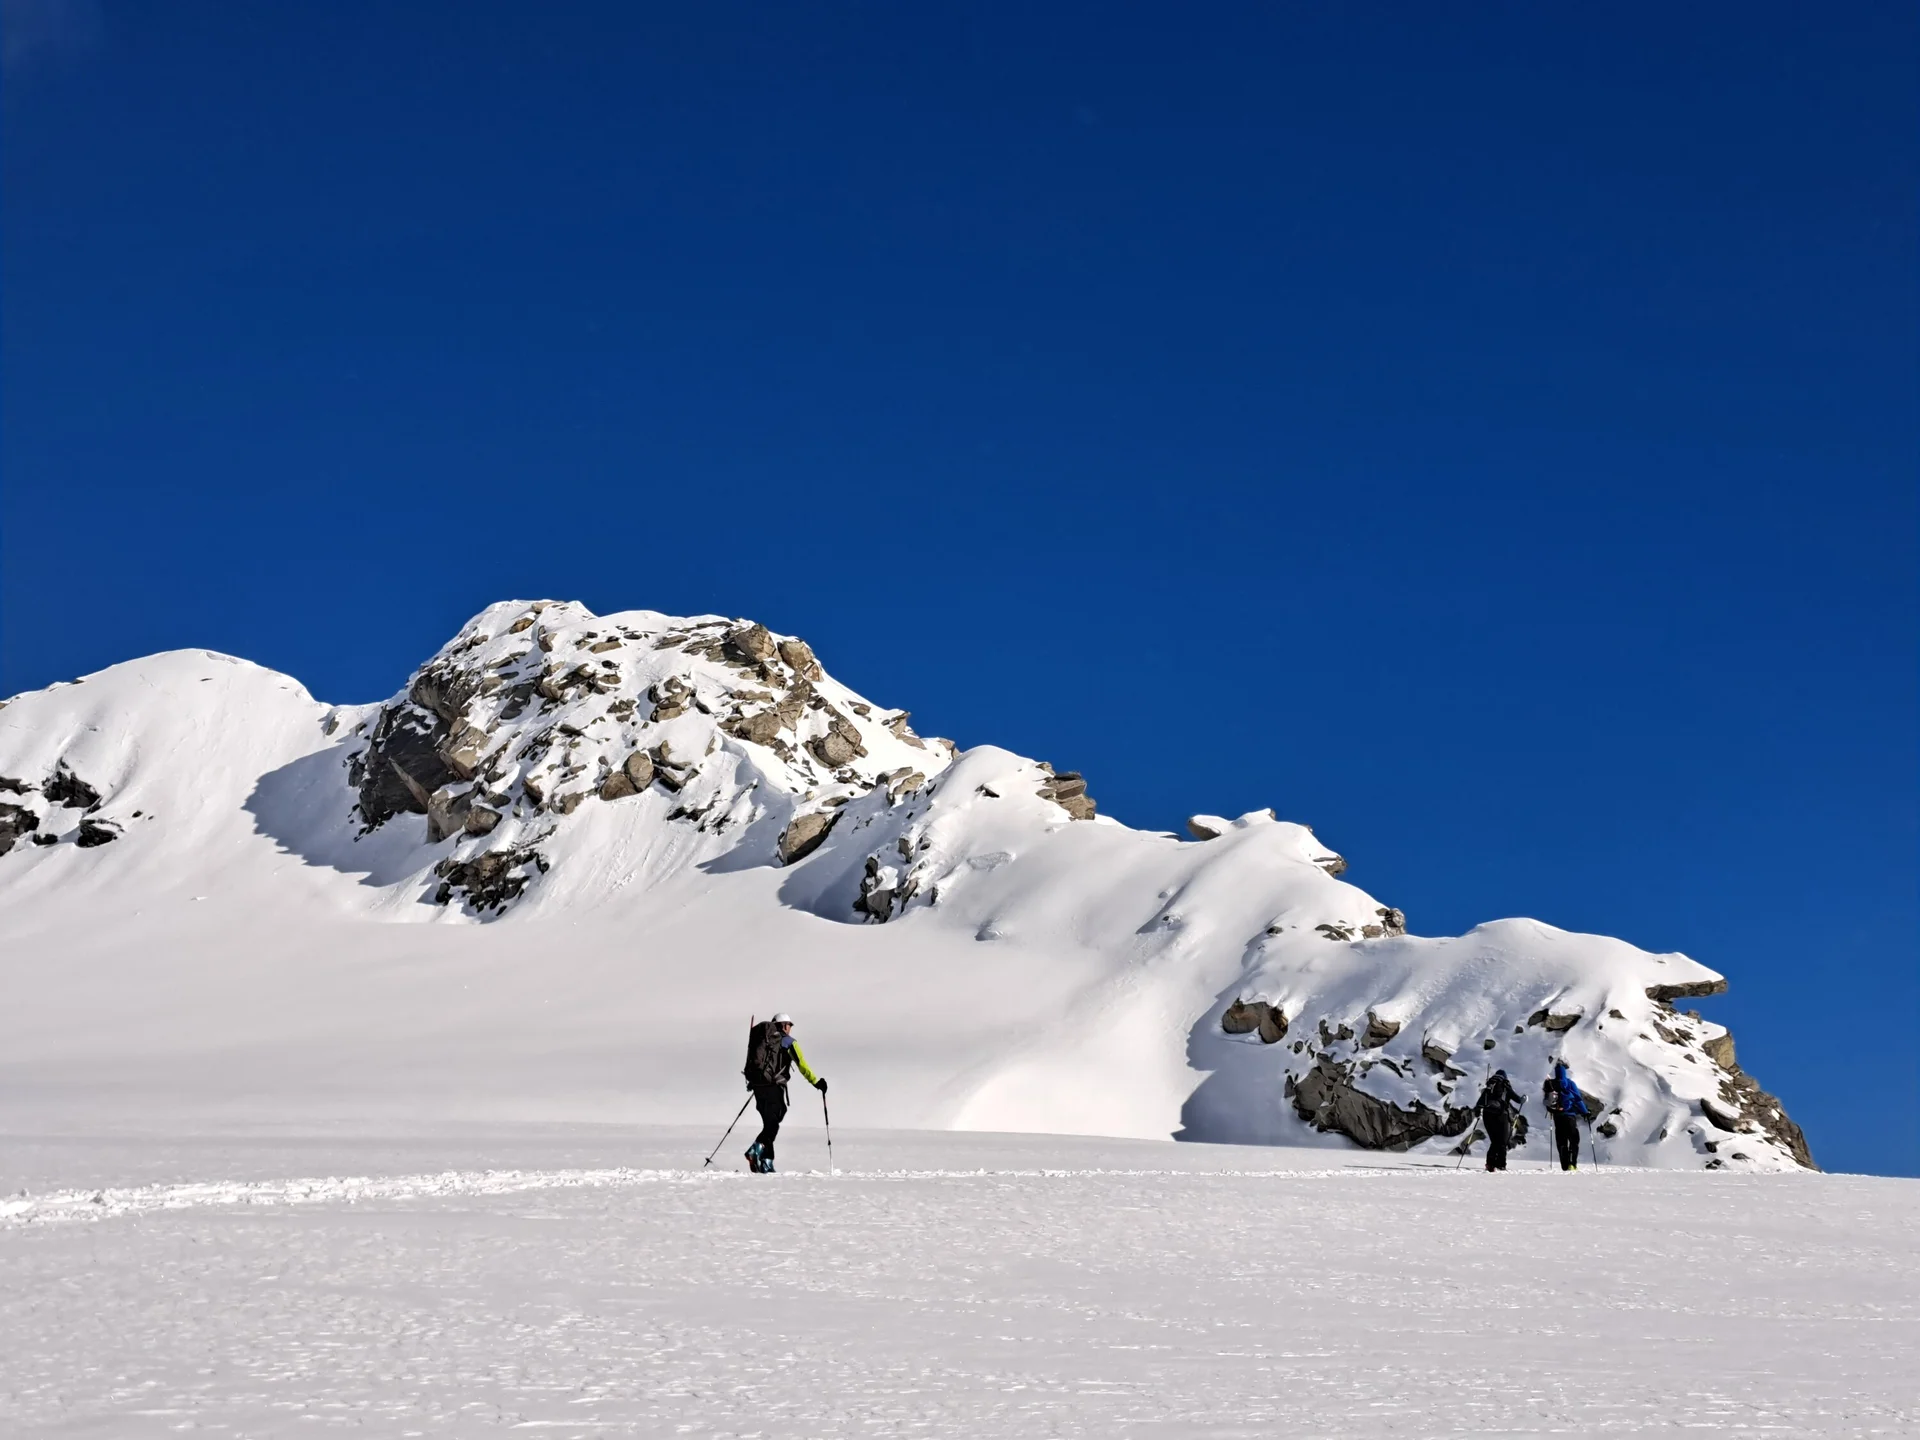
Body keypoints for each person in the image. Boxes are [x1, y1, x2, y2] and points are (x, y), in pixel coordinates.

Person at [741, 1013, 826, 1173]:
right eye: (789, 1025)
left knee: (769, 1124)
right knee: (774, 1122)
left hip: (758, 1086)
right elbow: (802, 1064)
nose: (790, 1028)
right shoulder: (788, 1041)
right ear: (784, 1025)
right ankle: (755, 1150)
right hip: (774, 1086)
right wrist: (816, 1082)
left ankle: (766, 1162)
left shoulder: (763, 1039)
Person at [1542, 1058, 1590, 1171]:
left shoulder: (1550, 1083)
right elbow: (1578, 1099)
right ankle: (1572, 1164)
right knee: (1573, 1140)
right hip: (1570, 1116)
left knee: (1561, 1141)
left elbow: (1546, 1100)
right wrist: (1585, 1112)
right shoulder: (1570, 1083)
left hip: (1557, 1117)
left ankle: (1564, 1165)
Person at [1475, 1068, 1523, 1171]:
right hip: (1501, 1115)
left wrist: (1478, 1111)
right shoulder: (1505, 1086)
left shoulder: (1489, 1087)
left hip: (1487, 1116)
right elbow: (1518, 1100)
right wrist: (1523, 1099)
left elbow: (1480, 1103)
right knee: (1502, 1141)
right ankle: (1501, 1164)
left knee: (1495, 1141)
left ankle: (1490, 1164)